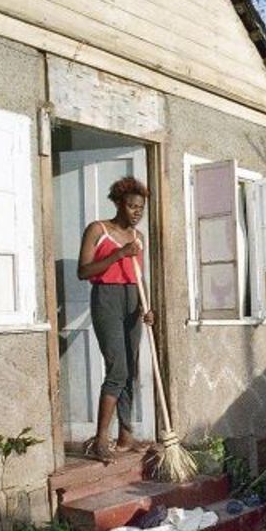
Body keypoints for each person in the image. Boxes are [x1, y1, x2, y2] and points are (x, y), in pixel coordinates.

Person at [77, 176, 156, 463]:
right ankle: (101, 439)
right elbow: (83, 272)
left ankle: (125, 436)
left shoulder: (140, 238)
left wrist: (147, 306)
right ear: (119, 204)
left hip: (133, 299)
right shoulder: (98, 230)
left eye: (141, 208)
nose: (137, 212)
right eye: (132, 206)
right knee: (117, 369)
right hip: (106, 298)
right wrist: (119, 253)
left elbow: (139, 275)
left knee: (130, 369)